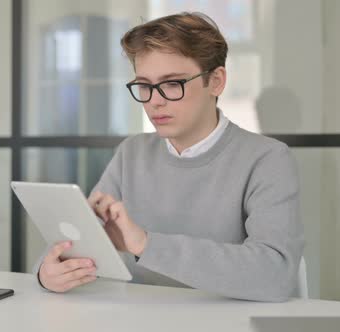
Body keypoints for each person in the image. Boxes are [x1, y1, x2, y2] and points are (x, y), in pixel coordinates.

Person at [35, 12, 304, 302]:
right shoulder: (132, 153)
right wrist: (48, 273)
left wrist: (145, 244)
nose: (155, 101)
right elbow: (77, 243)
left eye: (173, 84)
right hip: (141, 317)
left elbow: (275, 276)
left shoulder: (267, 159)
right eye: (145, 86)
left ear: (215, 81)